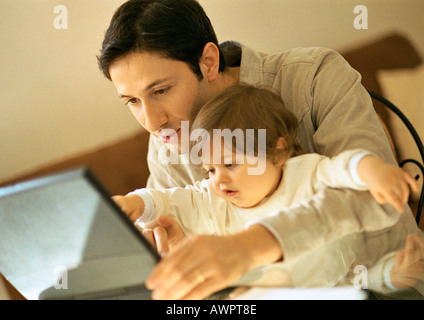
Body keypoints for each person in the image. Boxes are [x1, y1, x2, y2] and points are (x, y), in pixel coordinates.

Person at [98, 0, 422, 299]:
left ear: (208, 62)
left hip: (387, 283)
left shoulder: (312, 77)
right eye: (132, 101)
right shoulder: (166, 143)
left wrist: (254, 245)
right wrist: (161, 252)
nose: (151, 122)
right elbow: (168, 216)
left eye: (161, 90)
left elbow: (377, 197)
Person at [113, 85, 422, 298]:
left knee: (383, 277)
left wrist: (374, 169)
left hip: (332, 288)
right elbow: (169, 201)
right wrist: (136, 204)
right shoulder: (213, 196)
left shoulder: (306, 173)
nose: (218, 179)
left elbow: (344, 167)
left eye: (231, 164)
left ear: (278, 150)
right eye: (210, 169)